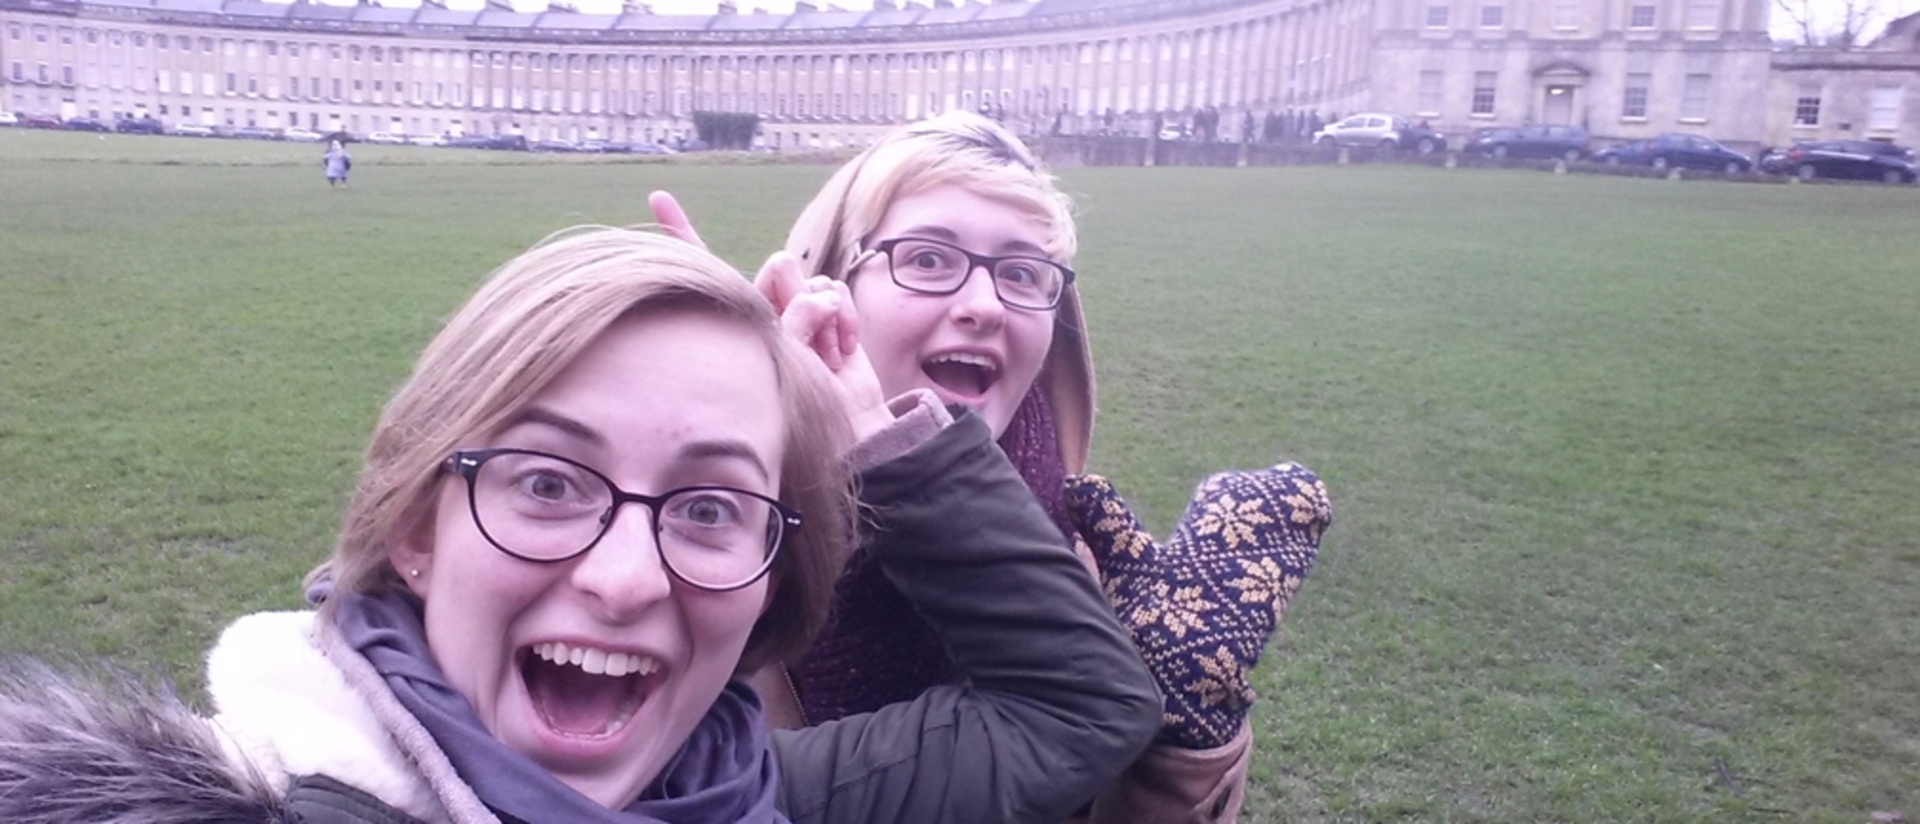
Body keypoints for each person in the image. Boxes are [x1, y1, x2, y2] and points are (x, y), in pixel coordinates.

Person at [0, 228, 1161, 824]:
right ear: (416, 522)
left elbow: (1075, 708)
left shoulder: (743, 782)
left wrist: (862, 423)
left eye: (711, 505)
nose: (620, 579)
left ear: (772, 584)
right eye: (547, 483)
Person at [653, 111, 1331, 824]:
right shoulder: (693, 554)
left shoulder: (1079, 576)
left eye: (1022, 273)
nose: (984, 305)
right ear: (827, 280)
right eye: (927, 259)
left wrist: (1179, 755)